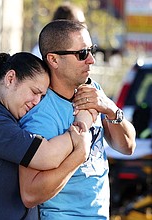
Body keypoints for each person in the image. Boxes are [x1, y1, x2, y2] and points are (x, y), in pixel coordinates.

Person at [19, 20, 136, 219]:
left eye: (92, 50)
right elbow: (30, 194)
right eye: (82, 54)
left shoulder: (93, 90)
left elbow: (127, 146)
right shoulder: (40, 115)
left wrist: (109, 109)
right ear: (53, 60)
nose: (91, 59)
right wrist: (78, 154)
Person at [0, 52, 94, 219]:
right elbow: (47, 156)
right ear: (10, 78)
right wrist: (81, 127)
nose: (36, 102)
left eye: (42, 96)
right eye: (34, 92)